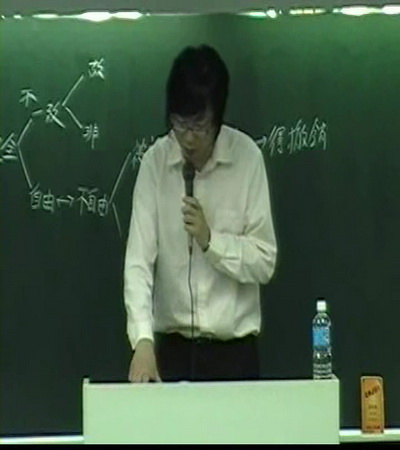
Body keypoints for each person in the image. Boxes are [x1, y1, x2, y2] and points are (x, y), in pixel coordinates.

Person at [124, 44, 277, 383]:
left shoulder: (247, 160)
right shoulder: (155, 164)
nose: (189, 139)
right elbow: (138, 261)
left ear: (217, 120)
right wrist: (143, 340)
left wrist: (211, 241)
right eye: (180, 124)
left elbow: (265, 260)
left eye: (199, 126)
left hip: (234, 355)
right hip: (172, 351)